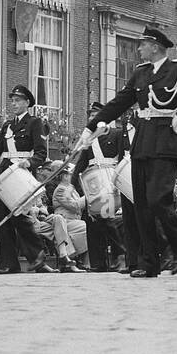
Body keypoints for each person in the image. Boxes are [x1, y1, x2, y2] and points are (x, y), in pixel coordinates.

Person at [83, 27, 177, 278]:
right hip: (142, 142)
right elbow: (119, 102)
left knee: (158, 199)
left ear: (155, 46)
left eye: (142, 44)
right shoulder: (140, 73)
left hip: (165, 142)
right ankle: (149, 263)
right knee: (142, 205)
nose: (139, 48)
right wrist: (93, 126)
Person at [0, 85, 55, 274]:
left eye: (18, 100)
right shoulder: (7, 125)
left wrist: (29, 162)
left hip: (22, 173)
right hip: (6, 173)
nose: (14, 104)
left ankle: (38, 256)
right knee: (3, 217)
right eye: (12, 100)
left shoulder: (34, 122)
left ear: (27, 103)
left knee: (19, 216)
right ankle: (7, 264)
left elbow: (41, 153)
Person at [71, 101, 128, 272]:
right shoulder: (89, 140)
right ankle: (98, 262)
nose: (92, 120)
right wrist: (71, 184)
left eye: (96, 116)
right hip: (93, 184)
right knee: (94, 224)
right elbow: (81, 163)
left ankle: (120, 253)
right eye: (90, 117)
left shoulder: (117, 134)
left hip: (111, 182)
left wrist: (120, 183)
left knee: (108, 219)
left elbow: (122, 159)